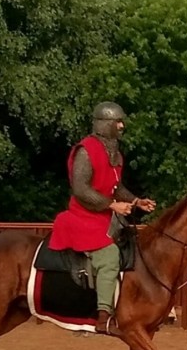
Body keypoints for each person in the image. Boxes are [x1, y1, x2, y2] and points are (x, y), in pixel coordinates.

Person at [48, 101, 156, 335]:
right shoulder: (86, 150)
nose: (121, 125)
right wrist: (112, 205)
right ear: (105, 124)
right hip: (82, 216)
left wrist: (136, 201)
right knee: (110, 256)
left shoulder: (115, 153)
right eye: (118, 121)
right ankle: (103, 317)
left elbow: (116, 187)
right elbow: (81, 189)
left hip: (105, 215)